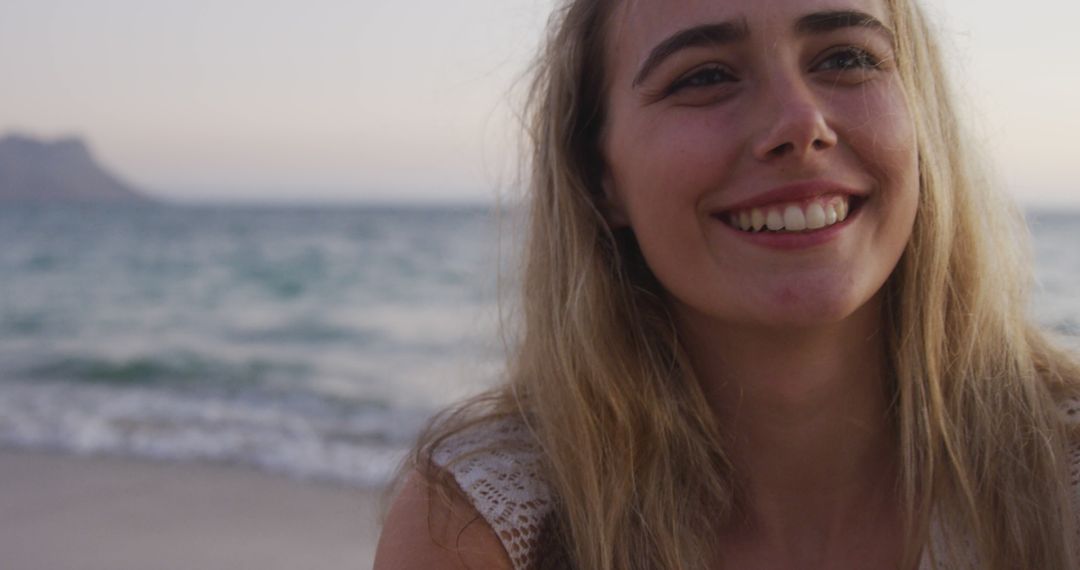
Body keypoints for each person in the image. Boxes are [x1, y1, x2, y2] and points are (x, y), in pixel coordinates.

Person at [374, 0, 1080, 567]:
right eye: (704, 76)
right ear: (601, 179)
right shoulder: (488, 530)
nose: (801, 124)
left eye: (846, 57)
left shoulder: (1064, 482)